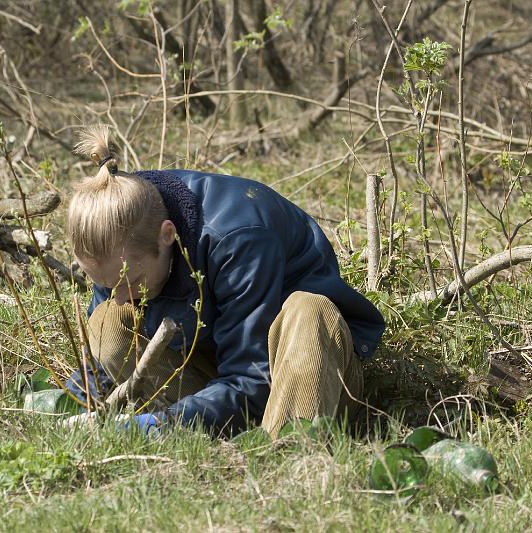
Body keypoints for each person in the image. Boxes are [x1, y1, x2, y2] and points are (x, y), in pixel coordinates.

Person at [65, 125, 385, 438]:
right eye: (107, 284)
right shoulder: (120, 225)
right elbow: (96, 368)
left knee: (308, 309)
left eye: (130, 282)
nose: (120, 295)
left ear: (167, 235)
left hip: (310, 373)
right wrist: (72, 405)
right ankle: (206, 428)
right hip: (222, 369)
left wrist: (153, 426)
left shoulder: (239, 238)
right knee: (110, 318)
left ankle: (290, 452)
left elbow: (253, 377)